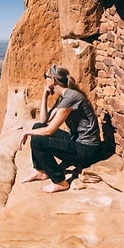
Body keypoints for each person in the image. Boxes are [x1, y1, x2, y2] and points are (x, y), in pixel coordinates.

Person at [19, 64, 101, 193]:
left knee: (37, 140)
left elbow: (49, 130)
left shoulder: (71, 97)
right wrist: (45, 96)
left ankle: (60, 182)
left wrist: (26, 133)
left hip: (87, 149)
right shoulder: (64, 97)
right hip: (77, 142)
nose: (44, 80)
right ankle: (41, 171)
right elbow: (43, 121)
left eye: (45, 77)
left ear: (52, 80)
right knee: (37, 127)